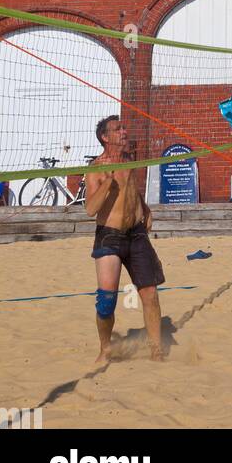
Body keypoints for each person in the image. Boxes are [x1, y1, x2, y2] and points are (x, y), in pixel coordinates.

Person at [85, 115, 165, 363]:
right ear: (105, 137)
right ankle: (106, 348)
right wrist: (108, 181)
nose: (124, 131)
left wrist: (145, 208)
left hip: (137, 234)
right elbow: (90, 209)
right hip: (110, 236)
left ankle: (156, 350)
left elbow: (132, 192)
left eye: (124, 127)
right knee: (106, 301)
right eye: (118, 129)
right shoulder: (96, 168)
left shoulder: (129, 161)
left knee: (150, 294)